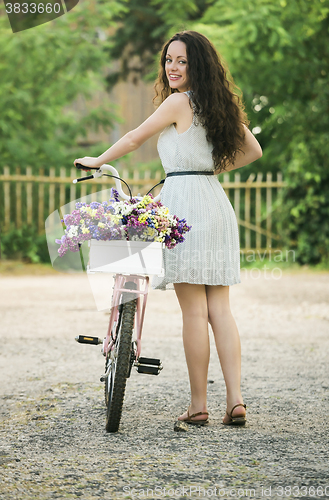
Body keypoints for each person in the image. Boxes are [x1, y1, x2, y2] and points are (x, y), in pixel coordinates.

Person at [74, 30, 262, 426]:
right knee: (221, 311)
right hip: (215, 201)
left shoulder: (178, 102)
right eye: (169, 60)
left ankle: (198, 406)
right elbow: (253, 151)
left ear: (197, 67)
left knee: (194, 311)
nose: (173, 68)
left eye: (182, 62)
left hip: (185, 206)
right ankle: (236, 401)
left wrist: (96, 160)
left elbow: (132, 138)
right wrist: (209, 171)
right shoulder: (220, 105)